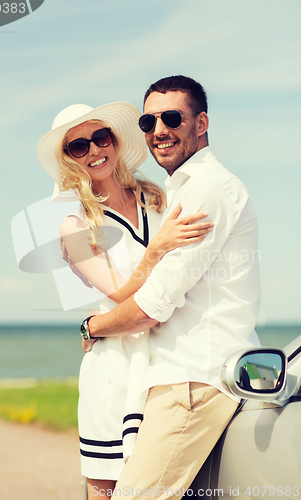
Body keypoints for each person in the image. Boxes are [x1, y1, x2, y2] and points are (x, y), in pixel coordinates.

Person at [84, 76, 261, 499]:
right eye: (149, 121)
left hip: (187, 375)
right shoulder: (77, 226)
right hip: (140, 374)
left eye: (171, 118)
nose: (158, 130)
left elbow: (151, 305)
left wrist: (92, 327)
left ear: (200, 123)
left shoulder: (186, 193)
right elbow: (127, 293)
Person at [36, 101, 213, 500]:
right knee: (108, 491)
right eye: (78, 146)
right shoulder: (75, 226)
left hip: (168, 362)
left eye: (101, 138)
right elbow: (119, 292)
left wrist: (92, 324)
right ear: (68, 161)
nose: (94, 150)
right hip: (114, 370)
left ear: (115, 142)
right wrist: (158, 249)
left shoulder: (158, 199)